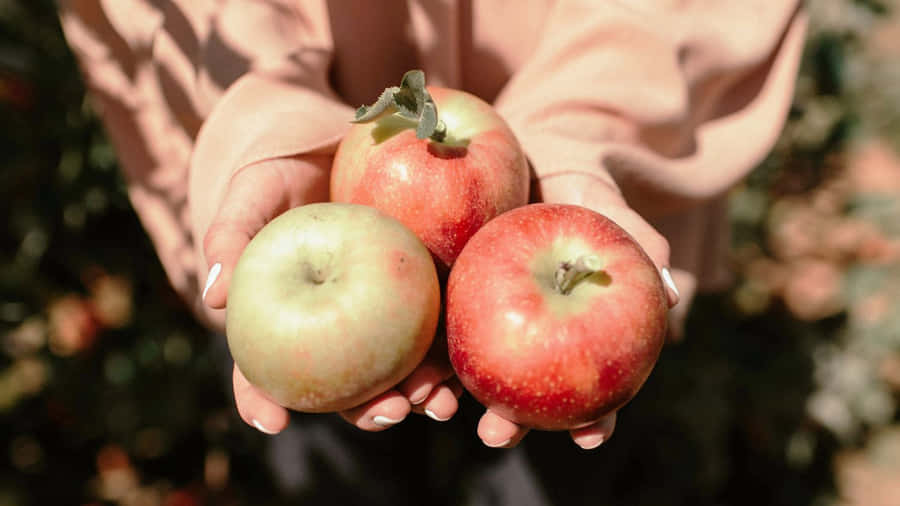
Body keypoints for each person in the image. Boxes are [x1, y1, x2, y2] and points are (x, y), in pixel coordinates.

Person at [58, 0, 806, 496]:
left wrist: (585, 129)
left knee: (559, 472)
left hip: (572, 203)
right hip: (315, 216)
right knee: (331, 467)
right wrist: (271, 111)